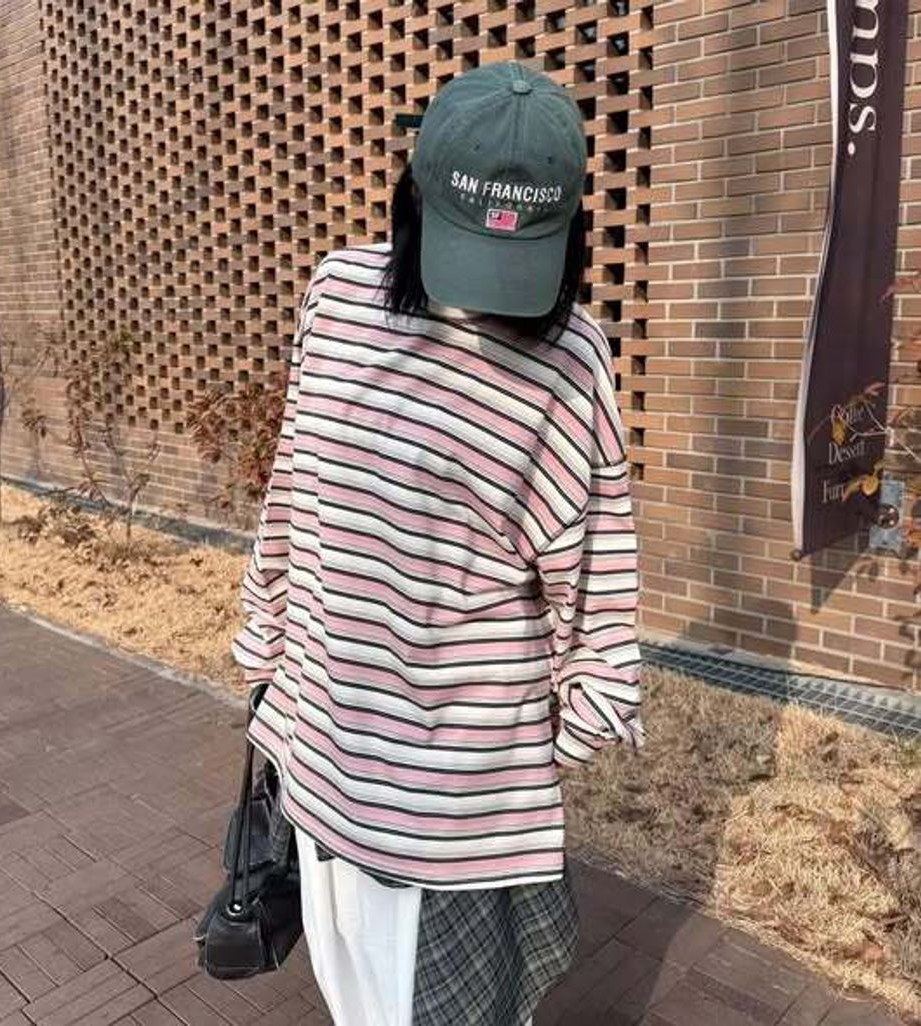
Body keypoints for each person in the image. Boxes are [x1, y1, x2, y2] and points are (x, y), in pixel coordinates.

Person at [232, 58, 645, 1026]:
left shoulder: (569, 359)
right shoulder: (338, 294)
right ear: (412, 195)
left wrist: (558, 738)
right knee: (352, 992)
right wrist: (265, 646)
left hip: (457, 788)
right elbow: (293, 486)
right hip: (320, 735)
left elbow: (596, 581)